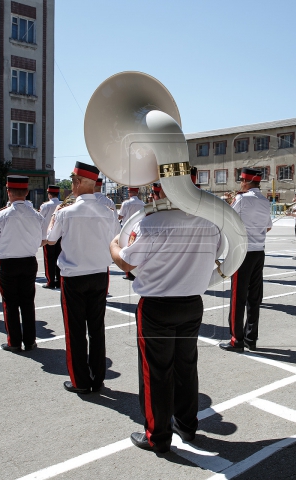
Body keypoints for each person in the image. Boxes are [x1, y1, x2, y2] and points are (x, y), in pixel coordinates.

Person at [110, 185, 221, 453]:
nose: (152, 196)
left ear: (162, 192)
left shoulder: (150, 224)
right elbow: (216, 256)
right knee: (186, 367)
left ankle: (157, 437)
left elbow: (126, 263)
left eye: (155, 191)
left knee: (156, 372)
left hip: (157, 306)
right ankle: (186, 425)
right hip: (192, 304)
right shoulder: (210, 223)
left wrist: (114, 245)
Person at [45, 162, 120, 394]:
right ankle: (98, 379)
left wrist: (53, 218)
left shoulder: (65, 212)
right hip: (99, 275)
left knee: (75, 330)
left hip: (73, 277)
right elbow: (118, 240)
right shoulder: (108, 213)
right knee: (97, 329)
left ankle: (80, 381)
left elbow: (49, 239)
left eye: (73, 182)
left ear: (77, 183)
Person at [0, 176, 45, 352]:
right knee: (28, 302)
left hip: (8, 263)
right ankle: (30, 341)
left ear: (8, 192)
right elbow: (42, 241)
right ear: (27, 193)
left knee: (10, 304)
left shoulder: (1, 215)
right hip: (29, 261)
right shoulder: (37, 215)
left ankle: (14, 342)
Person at [219, 167, 272, 352]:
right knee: (253, 298)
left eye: (241, 180)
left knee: (238, 297)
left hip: (243, 252)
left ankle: (236, 340)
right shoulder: (265, 201)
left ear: (246, 182)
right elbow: (268, 228)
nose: (240, 184)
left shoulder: (242, 199)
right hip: (259, 252)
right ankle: (251, 338)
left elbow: (227, 218)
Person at [39, 185, 63, 289]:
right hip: (60, 236)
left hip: (47, 236)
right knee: (59, 258)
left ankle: (50, 281)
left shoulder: (45, 206)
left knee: (49, 259)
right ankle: (59, 280)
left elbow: (40, 220)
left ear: (49, 194)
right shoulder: (63, 204)